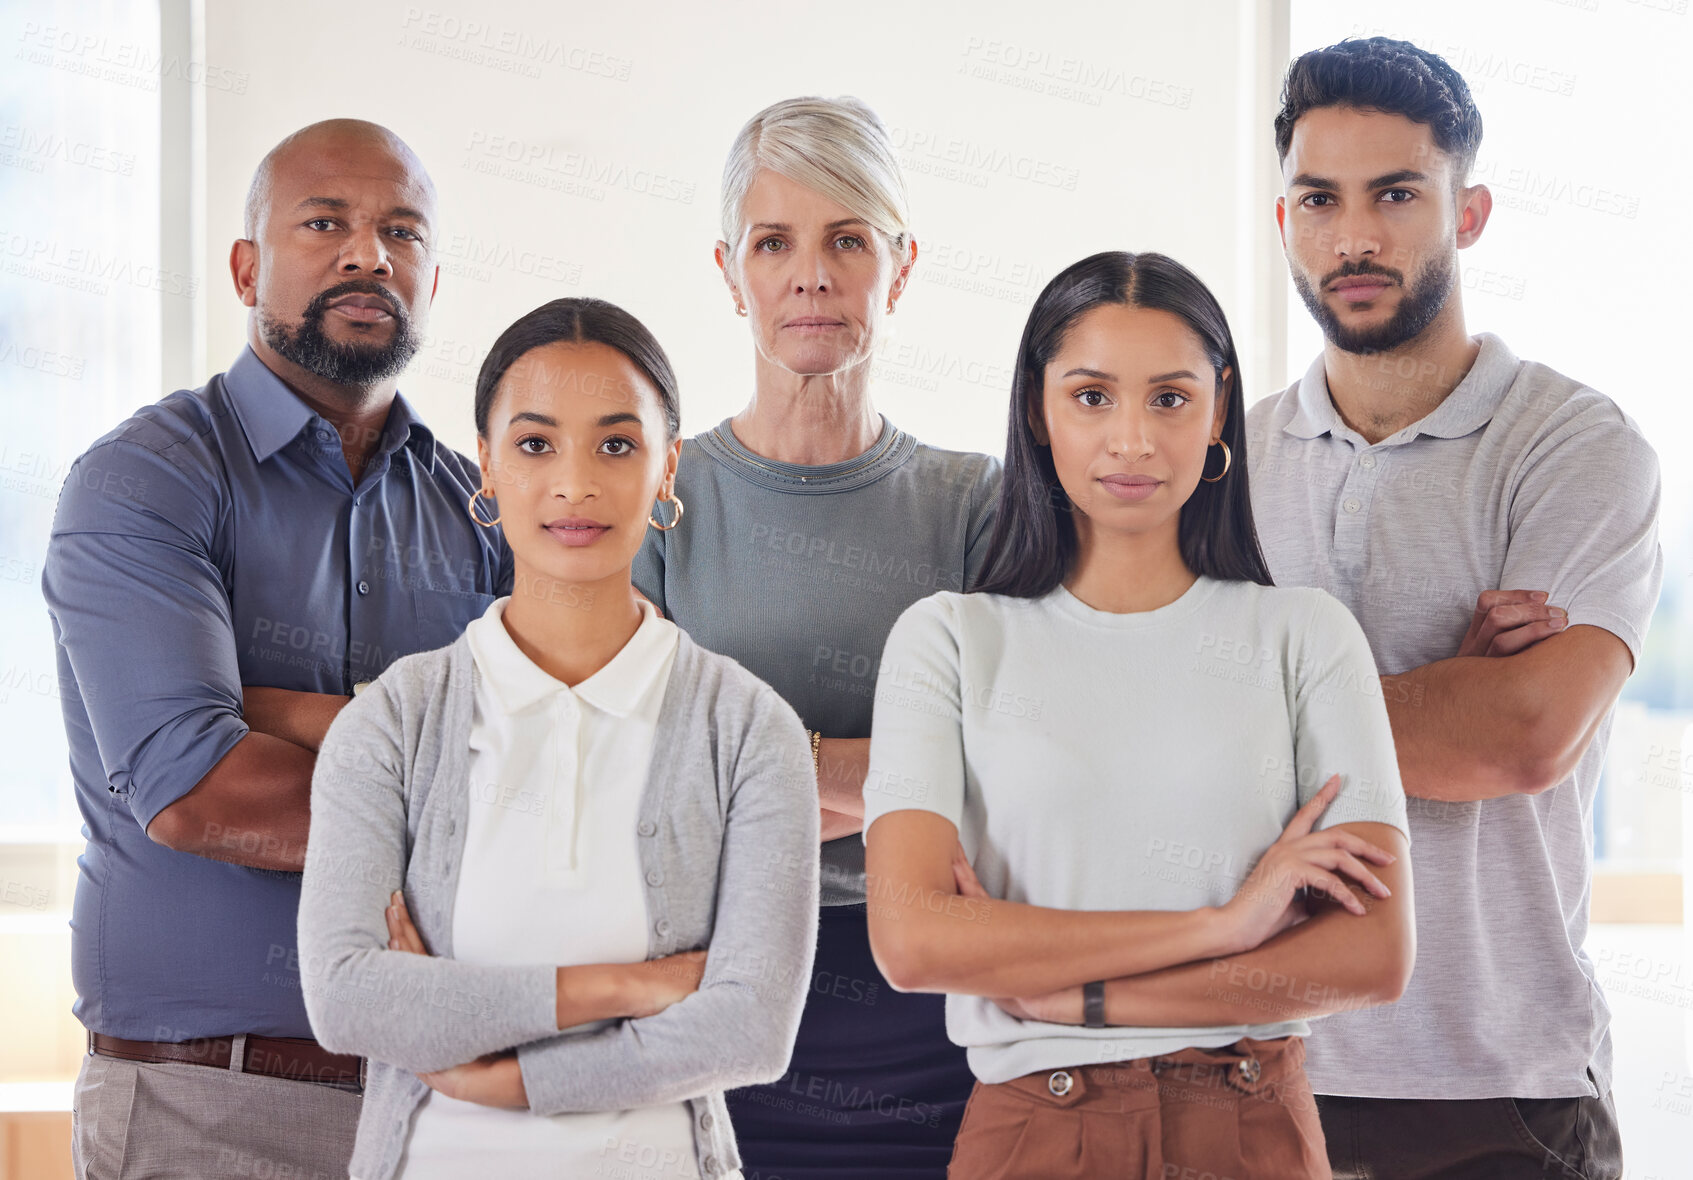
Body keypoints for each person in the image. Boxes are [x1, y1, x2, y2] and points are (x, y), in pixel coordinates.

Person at [863, 250, 1415, 1179]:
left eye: (1167, 398)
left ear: (1215, 410)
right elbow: (914, 940)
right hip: (1036, 1131)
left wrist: (1085, 999)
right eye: (1090, 397)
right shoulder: (948, 640)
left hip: (1251, 1130)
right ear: (1037, 411)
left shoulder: (1305, 636)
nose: (1131, 440)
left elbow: (1370, 953)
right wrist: (1223, 926)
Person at [43, 119, 509, 1178]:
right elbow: (201, 792)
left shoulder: (487, 509)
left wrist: (278, 710)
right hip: (210, 1102)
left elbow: (568, 761)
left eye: (402, 230)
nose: (368, 254)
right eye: (325, 222)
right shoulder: (146, 481)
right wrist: (467, 790)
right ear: (248, 266)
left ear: (433, 273)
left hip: (450, 1102)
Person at [1247, 37, 1663, 1180]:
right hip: (1260, 1070)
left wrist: (1240, 711)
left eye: (1396, 195)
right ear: (1283, 218)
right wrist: (1446, 690)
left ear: (1467, 212)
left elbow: (1521, 735)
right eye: (1318, 200)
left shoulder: (1575, 446)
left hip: (1501, 1092)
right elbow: (1135, 744)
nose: (1356, 238)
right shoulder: (1221, 460)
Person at [296, 296, 820, 1180]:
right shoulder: (391, 721)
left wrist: (508, 1080)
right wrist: (627, 987)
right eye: (536, 444)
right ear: (487, 470)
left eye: (617, 444)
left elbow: (750, 1029)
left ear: (667, 469)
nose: (574, 483)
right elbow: (347, 1000)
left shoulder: (748, 728)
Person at [631, 96, 998, 1177]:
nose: (812, 274)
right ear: (727, 267)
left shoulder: (973, 504)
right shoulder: (658, 496)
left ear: (902, 264)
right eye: (774, 242)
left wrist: (747, 769)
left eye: (849, 239)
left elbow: (1013, 775)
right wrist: (908, 778)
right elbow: (639, 784)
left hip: (933, 1010)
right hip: (706, 990)